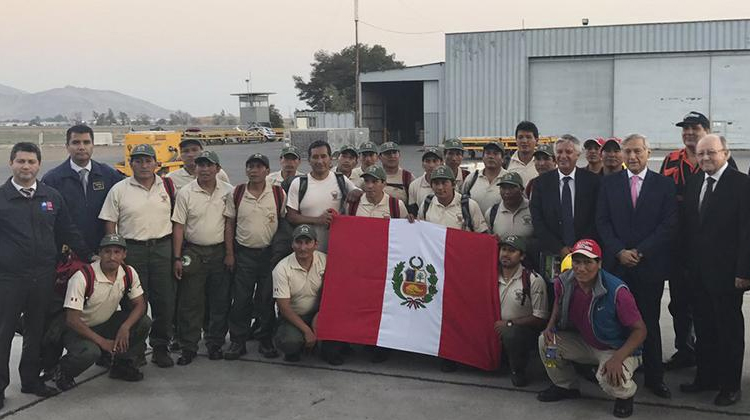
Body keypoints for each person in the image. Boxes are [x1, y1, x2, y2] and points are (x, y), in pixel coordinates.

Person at [0, 142, 92, 407]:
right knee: (3, 333)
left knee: (35, 331)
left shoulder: (51, 197)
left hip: (43, 277)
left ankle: (30, 380)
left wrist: (89, 256)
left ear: (39, 165)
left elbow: (68, 231)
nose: (26, 166)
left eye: (31, 162)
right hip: (9, 279)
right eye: (20, 161)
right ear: (11, 164)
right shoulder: (2, 198)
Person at [596, 134, 678, 399]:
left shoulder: (663, 185)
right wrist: (619, 251)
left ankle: (655, 377)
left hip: (648, 266)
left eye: (637, 152)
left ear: (648, 152)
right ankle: (623, 369)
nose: (631, 157)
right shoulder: (609, 184)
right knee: (618, 322)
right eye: (627, 152)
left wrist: (640, 251)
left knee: (649, 322)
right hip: (617, 268)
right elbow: (603, 222)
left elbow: (668, 225)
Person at [659, 112, 737, 371]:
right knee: (679, 304)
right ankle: (686, 350)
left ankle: (715, 364)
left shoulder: (723, 161)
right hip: (680, 249)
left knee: (712, 312)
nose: (688, 133)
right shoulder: (671, 160)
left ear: (706, 130)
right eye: (685, 129)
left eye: (694, 128)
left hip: (713, 253)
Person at [537, 239, 646, 418]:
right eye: (577, 262)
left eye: (588, 262)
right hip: (587, 341)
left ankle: (625, 395)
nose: (581, 268)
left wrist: (618, 358)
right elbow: (558, 302)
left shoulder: (617, 291)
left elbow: (640, 330)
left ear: (599, 263)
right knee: (546, 343)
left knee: (607, 378)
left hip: (615, 347)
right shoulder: (564, 282)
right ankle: (565, 386)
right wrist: (549, 327)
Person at [681, 134, 750, 406]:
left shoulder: (742, 184)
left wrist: (744, 271)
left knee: (728, 331)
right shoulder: (695, 181)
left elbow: (747, 232)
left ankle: (730, 385)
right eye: (701, 154)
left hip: (727, 275)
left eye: (711, 152)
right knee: (704, 328)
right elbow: (689, 229)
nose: (706, 158)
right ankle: (706, 377)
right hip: (697, 273)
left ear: (726, 153)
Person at [99, 144, 177, 368]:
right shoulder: (119, 189)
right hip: (132, 250)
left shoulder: (167, 186)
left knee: (165, 301)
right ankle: (136, 349)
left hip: (162, 247)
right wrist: (115, 253)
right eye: (138, 161)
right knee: (135, 303)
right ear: (131, 163)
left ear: (156, 163)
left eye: (148, 160)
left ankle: (161, 347)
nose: (143, 165)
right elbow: (110, 222)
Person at [55, 234, 151, 391]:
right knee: (91, 352)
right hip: (78, 329)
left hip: (104, 322)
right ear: (99, 253)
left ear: (124, 255)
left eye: (117, 252)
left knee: (143, 322)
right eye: (107, 251)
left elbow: (140, 304)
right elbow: (72, 320)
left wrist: (125, 327)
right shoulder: (82, 277)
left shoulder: (128, 272)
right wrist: (102, 342)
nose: (112, 257)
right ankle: (63, 370)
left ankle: (121, 364)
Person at [171, 151, 233, 365]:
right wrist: (177, 257)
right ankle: (189, 346)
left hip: (219, 253)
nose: (205, 169)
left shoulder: (229, 192)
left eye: (209, 165)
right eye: (200, 165)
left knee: (219, 301)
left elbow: (229, 225)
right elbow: (178, 226)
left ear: (218, 168)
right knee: (191, 302)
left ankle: (215, 343)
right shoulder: (185, 193)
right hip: (193, 252)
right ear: (195, 168)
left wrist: (229, 253)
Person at [224, 153, 286, 360]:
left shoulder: (278, 193)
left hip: (269, 255)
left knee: (266, 299)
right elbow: (229, 224)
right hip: (244, 254)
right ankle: (237, 340)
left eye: (259, 167)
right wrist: (230, 254)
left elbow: (283, 223)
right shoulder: (238, 193)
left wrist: (279, 253)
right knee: (241, 299)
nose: (254, 170)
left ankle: (265, 339)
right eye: (250, 166)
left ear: (267, 171)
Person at [41, 124, 125, 250]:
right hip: (68, 253)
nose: (81, 147)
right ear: (67, 147)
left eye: (86, 142)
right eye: (76, 142)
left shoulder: (109, 175)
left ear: (93, 145)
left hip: (102, 249)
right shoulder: (52, 179)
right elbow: (45, 217)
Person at [273, 225, 340, 363]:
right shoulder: (282, 268)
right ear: (292, 244)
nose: (303, 248)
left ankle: (318, 346)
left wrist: (319, 315)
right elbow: (284, 307)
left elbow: (335, 293)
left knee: (335, 351)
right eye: (299, 242)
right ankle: (296, 347)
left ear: (316, 244)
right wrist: (307, 331)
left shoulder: (326, 261)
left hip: (319, 314)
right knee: (290, 342)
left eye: (308, 242)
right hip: (294, 316)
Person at [530, 135, 600, 259]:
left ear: (578, 155)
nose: (563, 156)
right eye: (559, 152)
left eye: (568, 152)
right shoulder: (541, 183)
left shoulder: (592, 182)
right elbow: (537, 220)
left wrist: (580, 246)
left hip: (585, 251)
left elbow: (596, 218)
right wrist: (559, 248)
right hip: (551, 251)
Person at [494, 235, 548, 387]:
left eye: (512, 251)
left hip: (521, 332)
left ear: (522, 256)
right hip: (493, 328)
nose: (506, 254)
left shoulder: (533, 280)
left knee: (512, 333)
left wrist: (509, 323)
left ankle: (518, 370)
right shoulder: (490, 276)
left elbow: (540, 318)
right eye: (503, 249)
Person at [286, 140, 358, 252]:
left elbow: (358, 193)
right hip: (308, 251)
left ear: (330, 159)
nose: (320, 161)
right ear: (309, 160)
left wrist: (356, 192)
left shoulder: (341, 180)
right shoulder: (299, 183)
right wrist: (317, 220)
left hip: (336, 249)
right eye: (315, 157)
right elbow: (291, 216)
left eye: (323, 156)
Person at [419, 165, 488, 234]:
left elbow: (482, 233)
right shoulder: (427, 203)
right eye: (436, 183)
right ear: (431, 185)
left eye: (444, 183)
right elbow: (420, 230)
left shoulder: (469, 205)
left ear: (453, 184)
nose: (440, 187)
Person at [462, 141, 508, 214]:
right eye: (488, 153)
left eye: (495, 154)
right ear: (483, 157)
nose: (491, 156)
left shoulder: (508, 179)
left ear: (503, 158)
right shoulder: (472, 179)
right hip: (475, 225)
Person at [486, 172, 533, 240]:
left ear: (522, 190)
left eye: (512, 188)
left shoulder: (533, 209)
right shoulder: (491, 213)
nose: (507, 192)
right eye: (503, 188)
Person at [407, 147, 443, 216]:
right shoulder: (414, 185)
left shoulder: (449, 185)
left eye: (435, 161)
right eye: (427, 161)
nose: (431, 165)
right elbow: (413, 212)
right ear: (423, 164)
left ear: (441, 163)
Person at [507, 121, 539, 188]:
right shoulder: (507, 162)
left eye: (528, 137)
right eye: (520, 137)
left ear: (536, 140)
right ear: (516, 140)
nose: (524, 141)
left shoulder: (543, 162)